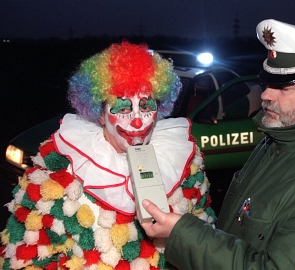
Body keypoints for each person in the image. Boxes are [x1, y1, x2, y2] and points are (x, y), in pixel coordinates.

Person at [140, 19, 295, 269]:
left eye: (284, 87)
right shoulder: (279, 139)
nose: (265, 94)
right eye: (268, 82)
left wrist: (183, 234)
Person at [0, 42, 216, 269]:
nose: (137, 120)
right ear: (100, 114)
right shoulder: (59, 165)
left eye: (146, 106)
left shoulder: (184, 162)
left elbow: (205, 239)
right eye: (122, 108)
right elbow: (22, 257)